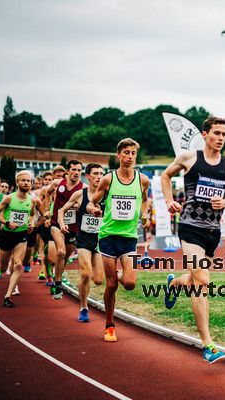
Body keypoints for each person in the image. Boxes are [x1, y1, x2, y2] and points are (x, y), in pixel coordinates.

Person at [161, 116, 225, 364]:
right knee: (203, 282)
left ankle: (174, 284)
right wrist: (168, 201)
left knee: (198, 278)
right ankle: (208, 345)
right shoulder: (189, 158)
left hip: (212, 231)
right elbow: (166, 176)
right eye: (216, 133)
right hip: (189, 226)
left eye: (224, 134)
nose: (220, 138)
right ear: (205, 134)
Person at [87, 138, 150, 342]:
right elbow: (92, 202)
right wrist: (93, 208)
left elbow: (145, 199)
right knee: (112, 283)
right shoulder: (108, 179)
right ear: (119, 155)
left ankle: (123, 271)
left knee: (130, 283)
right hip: (108, 237)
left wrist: (145, 214)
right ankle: (109, 324)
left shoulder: (142, 180)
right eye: (126, 153)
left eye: (133, 153)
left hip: (129, 237)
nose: (130, 157)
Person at [58, 163, 105, 322]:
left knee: (98, 280)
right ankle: (84, 307)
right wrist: (62, 223)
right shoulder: (79, 194)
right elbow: (61, 210)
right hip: (83, 239)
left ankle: (85, 292)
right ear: (88, 176)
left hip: (99, 241)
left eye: (101, 173)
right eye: (96, 173)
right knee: (86, 274)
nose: (99, 176)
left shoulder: (106, 194)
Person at [0, 171, 43, 307]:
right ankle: (5, 266)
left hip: (21, 235)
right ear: (17, 183)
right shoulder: (9, 198)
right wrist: (6, 223)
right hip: (7, 235)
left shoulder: (32, 200)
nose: (26, 183)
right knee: (2, 268)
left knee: (19, 264)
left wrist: (32, 223)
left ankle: (8, 296)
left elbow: (32, 214)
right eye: (23, 180)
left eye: (28, 181)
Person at [44, 160, 84, 299]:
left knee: (65, 257)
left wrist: (77, 205)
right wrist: (47, 210)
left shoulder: (82, 188)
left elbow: (81, 204)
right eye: (74, 169)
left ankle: (57, 277)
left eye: (79, 170)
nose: (76, 173)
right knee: (60, 252)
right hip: (56, 223)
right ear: (67, 171)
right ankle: (58, 283)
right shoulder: (57, 184)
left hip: (72, 227)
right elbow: (47, 193)